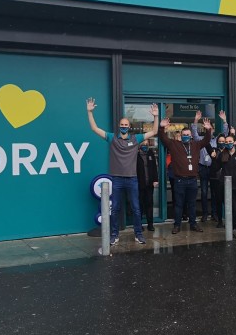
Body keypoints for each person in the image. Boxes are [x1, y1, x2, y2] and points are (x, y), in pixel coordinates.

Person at [86, 98, 158, 245]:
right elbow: (94, 128)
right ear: (119, 126)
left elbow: (155, 131)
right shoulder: (112, 138)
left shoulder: (136, 138)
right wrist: (90, 112)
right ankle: (114, 235)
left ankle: (138, 234)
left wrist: (156, 116)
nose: (124, 126)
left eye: (126, 125)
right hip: (117, 179)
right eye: (122, 125)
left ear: (129, 126)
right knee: (115, 209)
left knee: (136, 209)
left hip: (132, 179)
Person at [158, 116, 213, 234]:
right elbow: (163, 138)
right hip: (179, 180)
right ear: (181, 135)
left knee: (192, 204)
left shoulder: (196, 145)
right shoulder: (174, 144)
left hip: (192, 180)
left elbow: (206, 140)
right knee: (178, 204)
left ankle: (193, 224)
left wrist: (208, 130)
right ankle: (177, 225)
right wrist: (161, 128)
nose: (186, 136)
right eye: (184, 135)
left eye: (188, 134)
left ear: (191, 135)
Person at [192, 110, 228, 222]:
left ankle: (214, 213)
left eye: (211, 128)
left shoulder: (216, 141)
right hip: (203, 167)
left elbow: (225, 134)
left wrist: (224, 121)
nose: (210, 130)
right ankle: (204, 214)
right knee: (203, 192)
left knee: (214, 192)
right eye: (207, 128)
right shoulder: (201, 140)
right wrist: (196, 120)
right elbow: (194, 133)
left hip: (214, 169)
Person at [212, 135, 236, 239]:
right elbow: (216, 168)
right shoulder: (222, 154)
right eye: (226, 142)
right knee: (233, 209)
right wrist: (214, 158)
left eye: (230, 141)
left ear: (235, 142)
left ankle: (234, 228)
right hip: (227, 186)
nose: (228, 143)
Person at [137, 140, 158, 232]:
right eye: (143, 144)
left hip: (149, 184)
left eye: (146, 144)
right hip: (139, 184)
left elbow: (154, 167)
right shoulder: (136, 155)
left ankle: (150, 224)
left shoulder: (150, 153)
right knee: (139, 205)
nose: (145, 146)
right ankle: (139, 224)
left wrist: (155, 179)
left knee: (149, 204)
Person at [210, 136, 227, 227]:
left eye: (223, 141)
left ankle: (229, 219)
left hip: (227, 179)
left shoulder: (229, 151)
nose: (221, 143)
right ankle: (220, 220)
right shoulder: (214, 151)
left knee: (228, 201)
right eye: (220, 141)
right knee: (218, 200)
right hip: (217, 179)